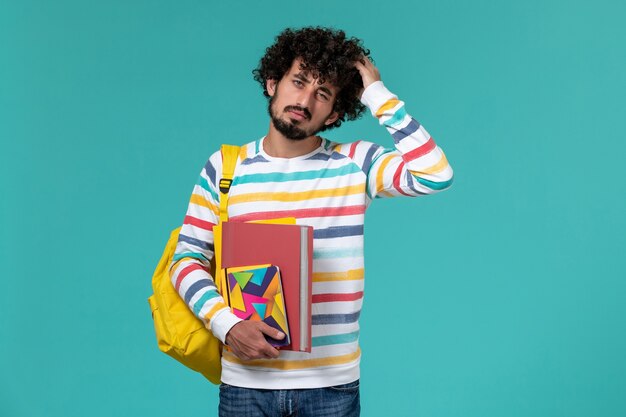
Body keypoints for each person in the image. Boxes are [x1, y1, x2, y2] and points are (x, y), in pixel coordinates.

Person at [170, 26, 453, 416]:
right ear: (273, 83)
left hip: (332, 385)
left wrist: (377, 95)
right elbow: (185, 261)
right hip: (247, 385)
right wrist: (226, 324)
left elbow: (434, 174)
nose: (304, 100)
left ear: (335, 112)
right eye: (298, 81)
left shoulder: (356, 163)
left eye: (322, 94)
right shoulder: (225, 169)